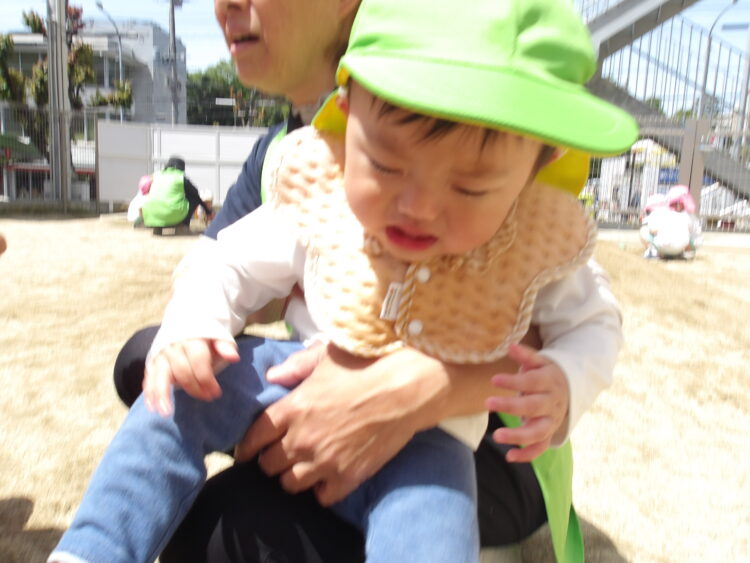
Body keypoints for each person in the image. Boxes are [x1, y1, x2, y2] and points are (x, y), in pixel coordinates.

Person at [49, 1, 637, 561]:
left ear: (538, 164)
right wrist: (195, 326)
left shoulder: (531, 244)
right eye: (385, 164)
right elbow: (225, 261)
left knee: (433, 522)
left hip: (436, 441)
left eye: (469, 187)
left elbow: (594, 324)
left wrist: (564, 380)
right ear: (347, 112)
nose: (417, 207)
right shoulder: (320, 195)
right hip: (291, 375)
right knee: (172, 387)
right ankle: (92, 549)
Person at [141, 156, 213, 235]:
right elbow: (195, 194)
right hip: (170, 213)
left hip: (150, 215)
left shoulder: (156, 175)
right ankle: (182, 227)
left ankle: (157, 228)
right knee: (193, 198)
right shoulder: (180, 177)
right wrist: (208, 211)